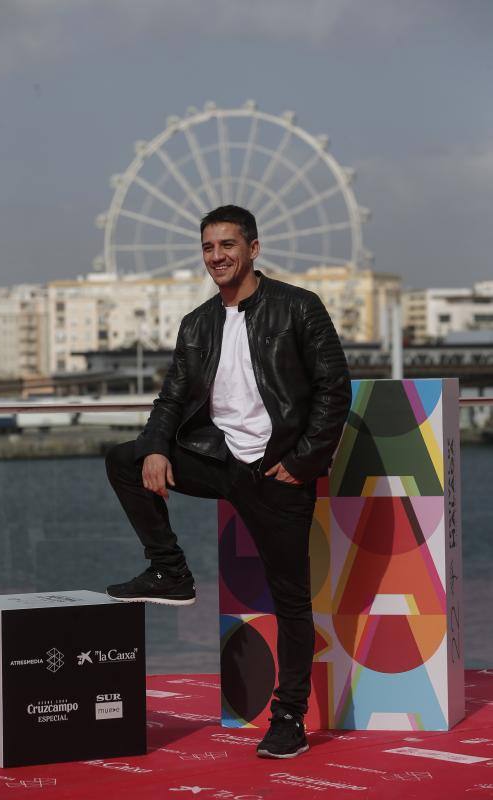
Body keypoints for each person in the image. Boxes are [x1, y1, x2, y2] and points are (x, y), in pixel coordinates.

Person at [105, 205, 351, 758]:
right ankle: (169, 570)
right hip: (220, 461)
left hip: (278, 470)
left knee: (291, 600)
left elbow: (335, 387)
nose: (217, 256)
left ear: (253, 248)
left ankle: (288, 717)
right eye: (208, 248)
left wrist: (305, 461)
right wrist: (153, 449)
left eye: (228, 245)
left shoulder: (298, 307)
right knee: (123, 459)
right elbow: (171, 398)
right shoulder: (197, 323)